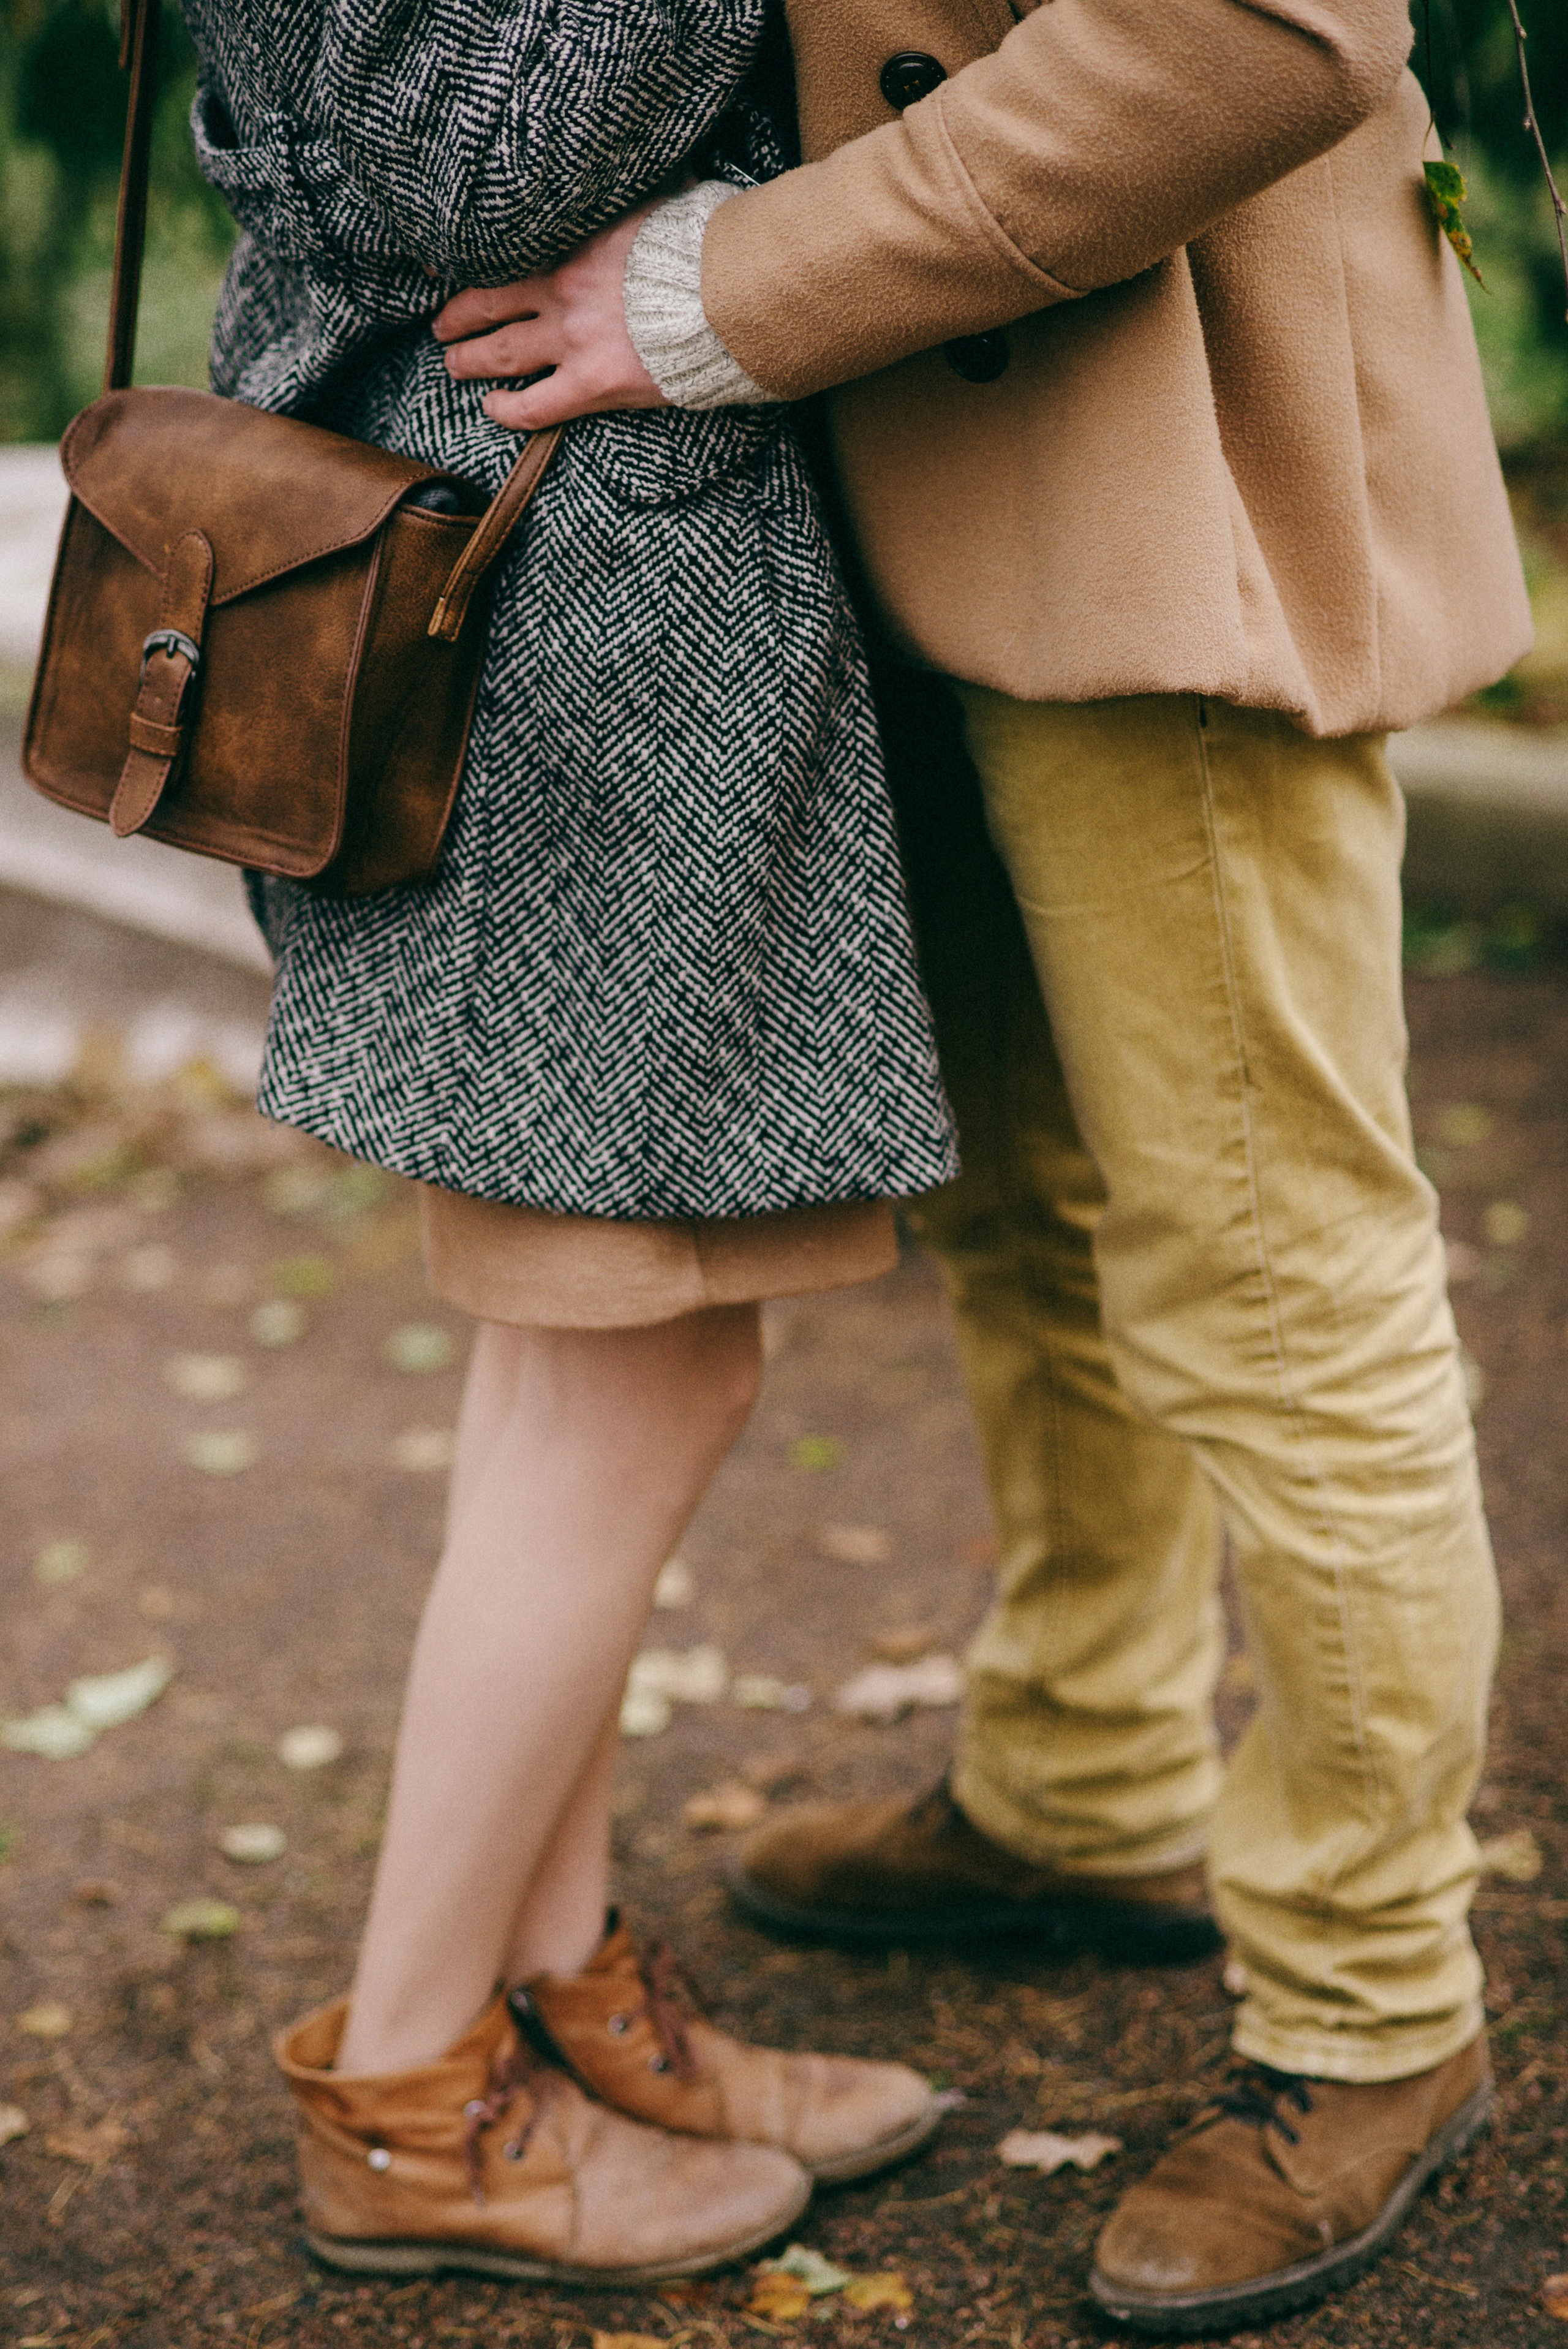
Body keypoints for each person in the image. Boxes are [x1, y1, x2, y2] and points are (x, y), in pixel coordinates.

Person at [432, 0, 1533, 2330]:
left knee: (1273, 1278)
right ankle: (1086, 1776)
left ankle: (1372, 2008)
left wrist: (735, 290)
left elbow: (1259, 27)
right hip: (878, 457)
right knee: (1037, 1216)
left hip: (1153, 456)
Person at [178, 0, 960, 2290]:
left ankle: (553, 1990)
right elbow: (491, 156)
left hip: (521, 564)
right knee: (624, 1365)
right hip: (530, 594)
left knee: (599, 1351)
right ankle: (415, 2092)